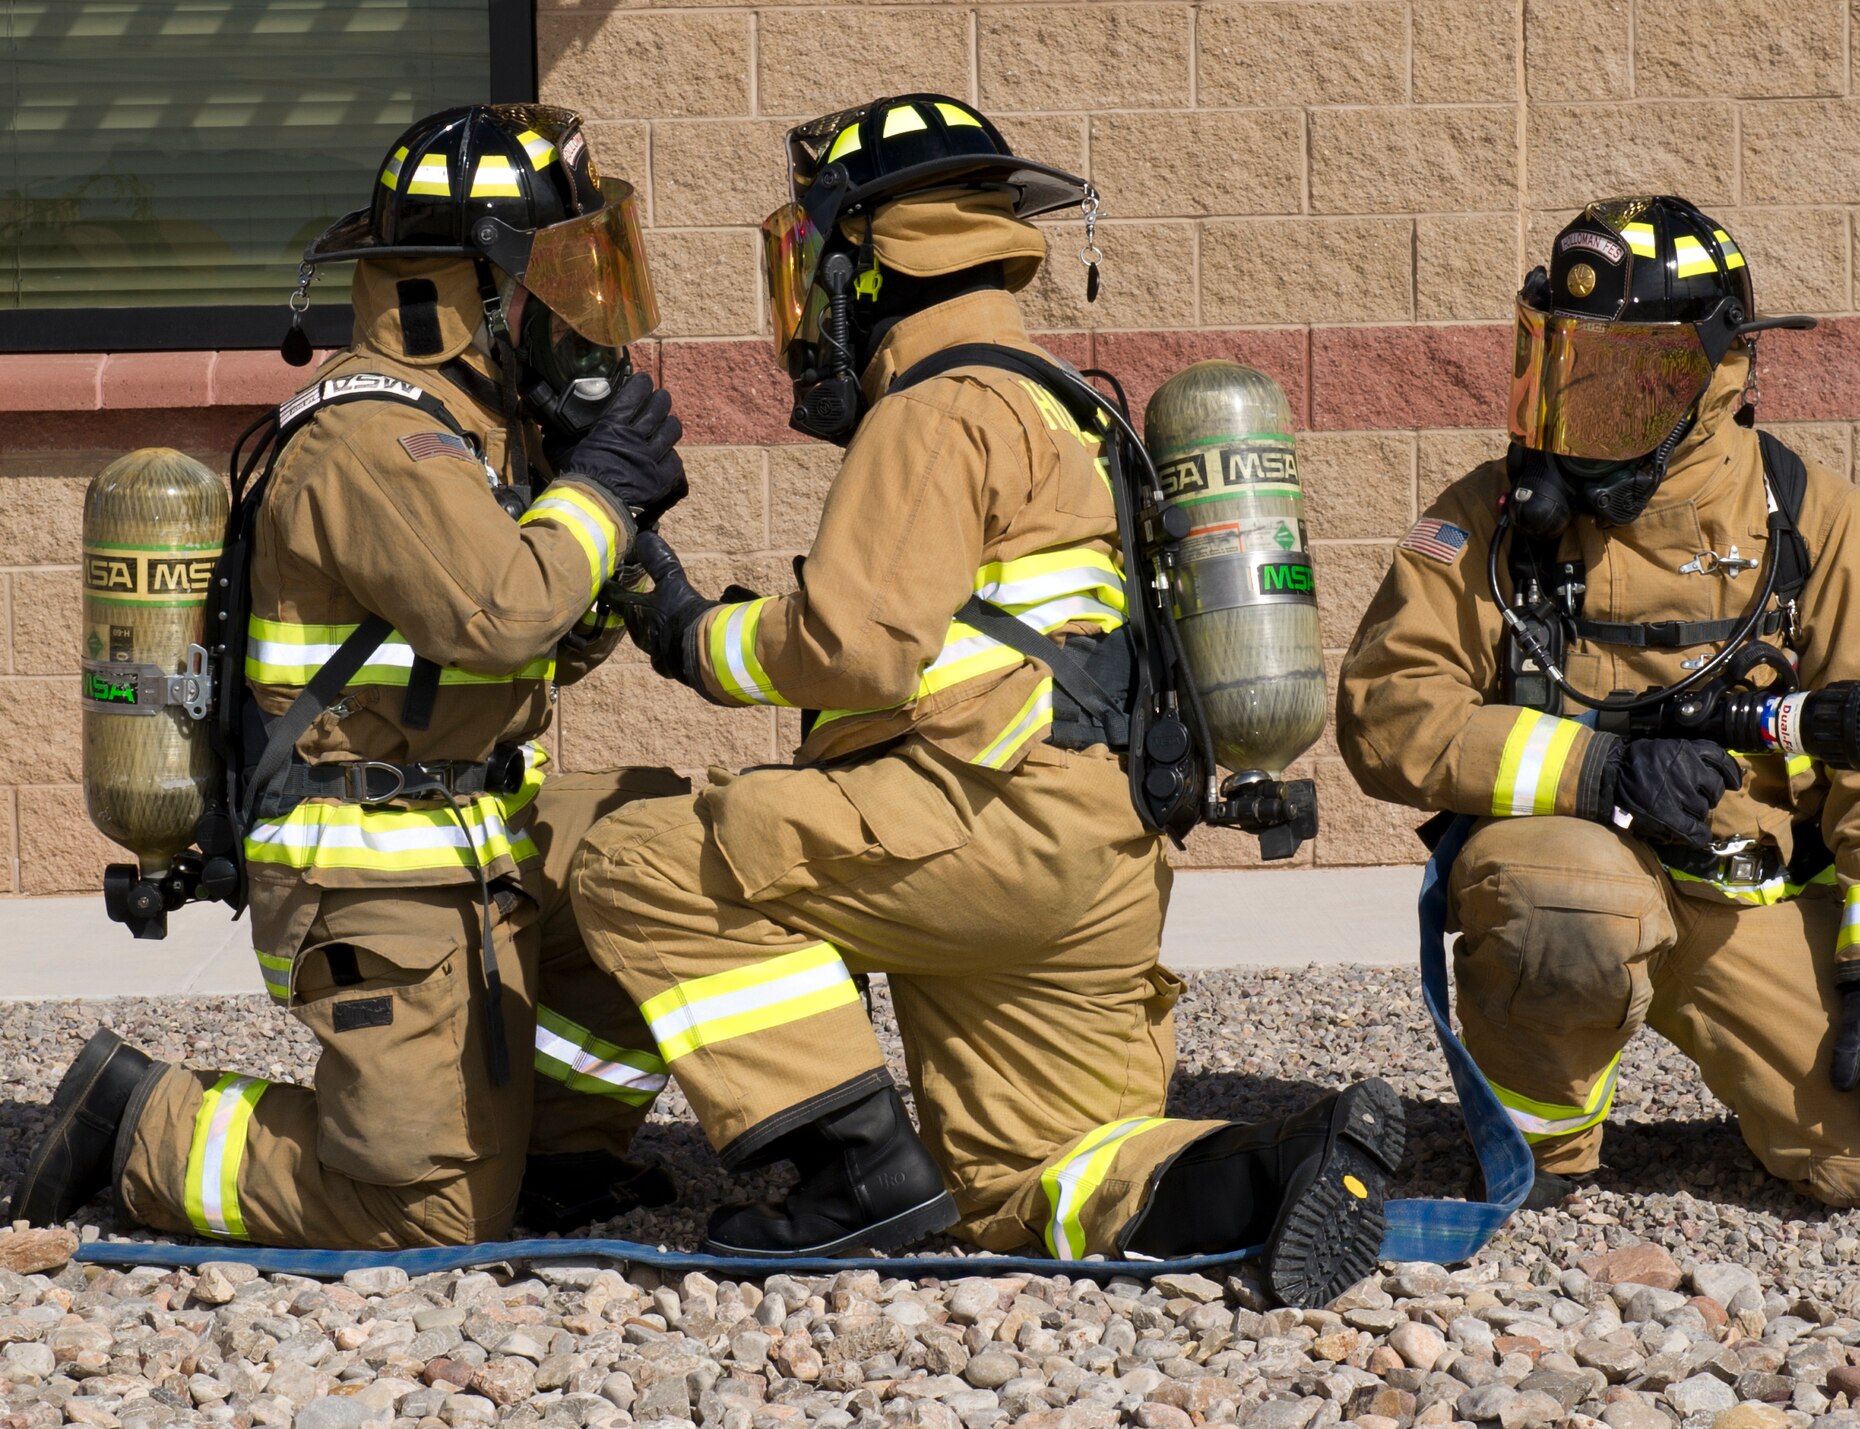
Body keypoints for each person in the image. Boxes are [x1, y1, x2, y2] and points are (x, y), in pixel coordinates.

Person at [569, 93, 1402, 1306]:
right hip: (1098, 858)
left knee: (638, 859)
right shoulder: (1066, 404)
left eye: (812, 264)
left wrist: (689, 632)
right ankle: (1284, 1164)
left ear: (866, 261)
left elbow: (854, 648)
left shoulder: (935, 409)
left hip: (975, 826)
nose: (803, 308)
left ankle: (850, 1175)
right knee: (1041, 1176)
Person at [10, 105, 692, 1247]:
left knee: (663, 859)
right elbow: (500, 608)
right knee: (423, 1214)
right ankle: (140, 1118)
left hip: (471, 841)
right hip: (372, 875)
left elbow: (534, 645)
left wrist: (614, 547)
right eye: (560, 275)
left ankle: (559, 1159)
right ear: (472, 285)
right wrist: (604, 494)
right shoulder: (380, 437)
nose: (582, 312)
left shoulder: (479, 423)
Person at [1339, 195, 1860, 1208]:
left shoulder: (1811, 522)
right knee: (1567, 903)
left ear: (1717, 375)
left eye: (1625, 383)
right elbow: (1388, 712)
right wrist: (1596, 773)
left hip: (1749, 884)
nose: (1583, 411)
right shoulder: (1488, 520)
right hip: (1570, 862)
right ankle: (1538, 1145)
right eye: (1566, 369)